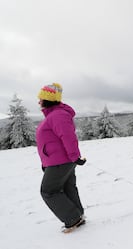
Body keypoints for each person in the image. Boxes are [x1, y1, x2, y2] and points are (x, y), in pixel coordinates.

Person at [36, 83, 87, 232]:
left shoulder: (58, 115)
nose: (39, 101)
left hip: (61, 161)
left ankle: (73, 218)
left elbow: (68, 136)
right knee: (67, 187)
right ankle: (78, 216)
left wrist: (74, 156)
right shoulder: (55, 114)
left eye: (41, 98)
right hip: (59, 160)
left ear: (48, 99)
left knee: (48, 191)